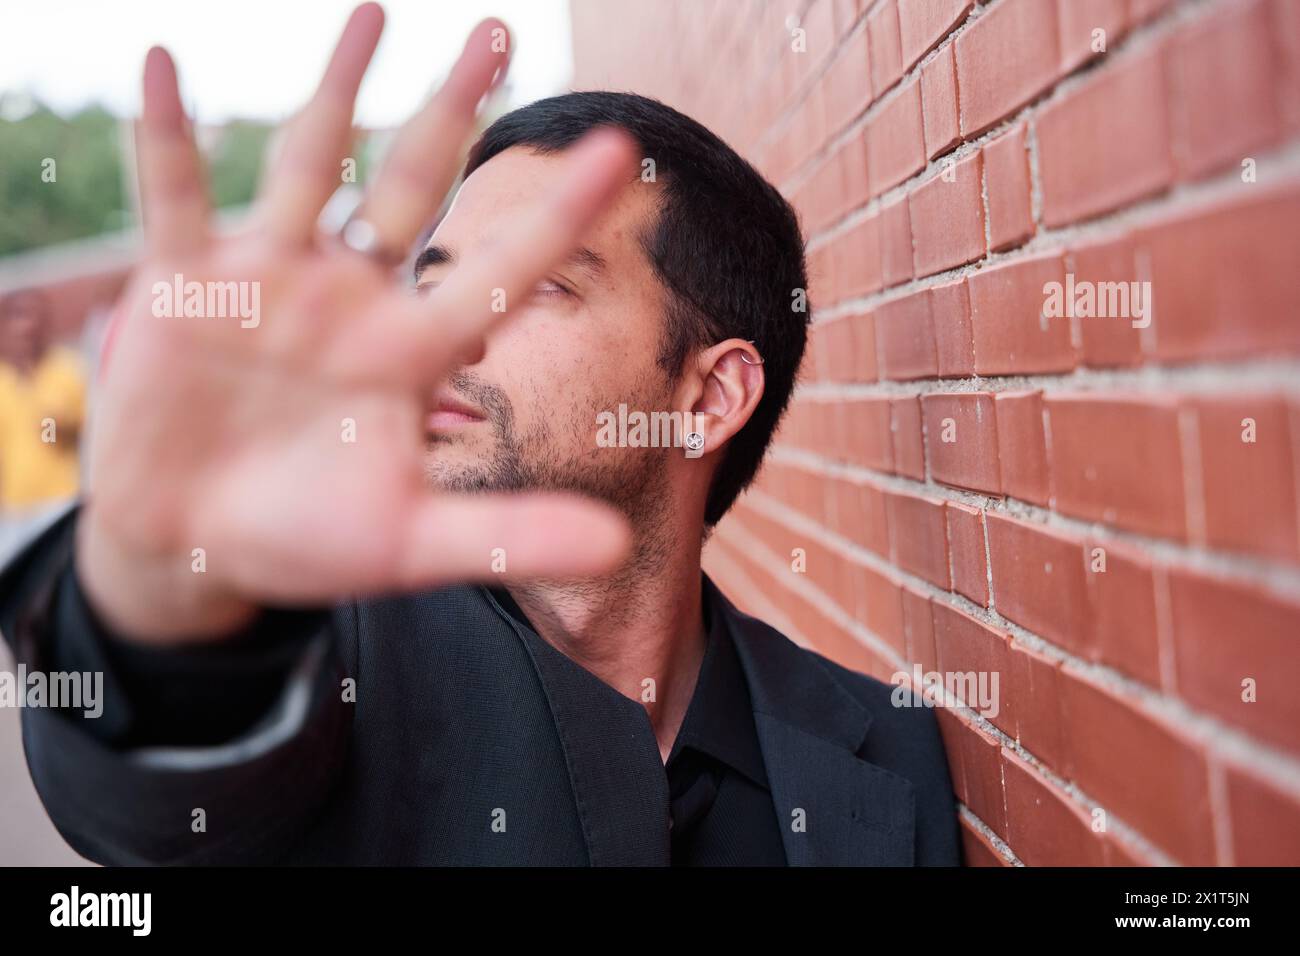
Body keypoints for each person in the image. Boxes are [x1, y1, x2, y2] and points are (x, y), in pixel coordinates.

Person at [0, 4, 959, 865]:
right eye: (436, 284)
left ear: (709, 399)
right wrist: (166, 598)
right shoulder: (323, 676)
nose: (449, 331)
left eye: (541, 284)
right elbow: (155, 790)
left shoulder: (886, 755)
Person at [0, 289, 86, 563]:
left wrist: (34, 387)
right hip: (14, 510)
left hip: (59, 503)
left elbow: (61, 439)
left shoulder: (65, 370)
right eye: (16, 318)